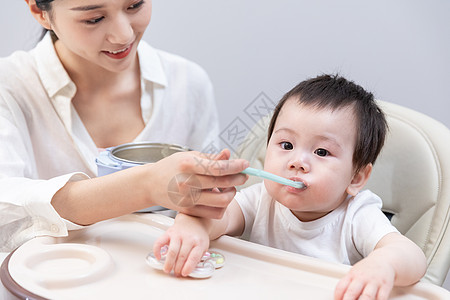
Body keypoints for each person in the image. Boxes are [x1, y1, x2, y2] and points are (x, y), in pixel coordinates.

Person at [0, 0, 249, 252]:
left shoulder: (187, 83)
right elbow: (5, 213)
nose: (124, 35)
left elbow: (204, 205)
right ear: (39, 11)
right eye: (94, 19)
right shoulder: (9, 88)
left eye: (135, 5)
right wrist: (146, 186)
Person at [153, 74, 427, 300]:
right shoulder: (260, 199)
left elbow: (412, 256)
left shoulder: (357, 215)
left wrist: (383, 264)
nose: (298, 162)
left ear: (356, 178)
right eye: (286, 145)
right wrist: (192, 224)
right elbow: (216, 216)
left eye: (321, 152)